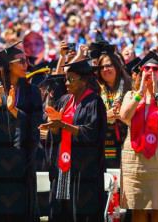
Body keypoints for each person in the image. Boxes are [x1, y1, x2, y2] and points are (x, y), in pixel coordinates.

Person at [0, 42, 44, 221]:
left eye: (26, 61)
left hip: (23, 160)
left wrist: (13, 109)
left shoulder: (32, 91)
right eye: (20, 61)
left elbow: (35, 124)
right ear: (8, 64)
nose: (25, 64)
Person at [42, 59, 107, 221]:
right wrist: (55, 127)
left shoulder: (94, 102)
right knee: (62, 210)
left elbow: (93, 133)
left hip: (83, 170)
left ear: (84, 80)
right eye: (65, 78)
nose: (66, 82)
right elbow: (56, 135)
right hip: (63, 167)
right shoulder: (64, 100)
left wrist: (63, 124)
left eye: (71, 79)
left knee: (81, 211)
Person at [119, 51, 158, 222]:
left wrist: (156, 94)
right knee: (137, 208)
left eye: (155, 69)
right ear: (140, 73)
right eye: (146, 69)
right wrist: (141, 92)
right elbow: (124, 116)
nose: (151, 72)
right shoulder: (131, 95)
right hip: (135, 158)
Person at [93, 41, 132, 169]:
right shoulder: (95, 89)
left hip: (128, 142)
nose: (105, 69)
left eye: (109, 65)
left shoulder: (129, 86)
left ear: (116, 66)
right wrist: (106, 115)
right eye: (102, 67)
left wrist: (123, 114)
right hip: (104, 144)